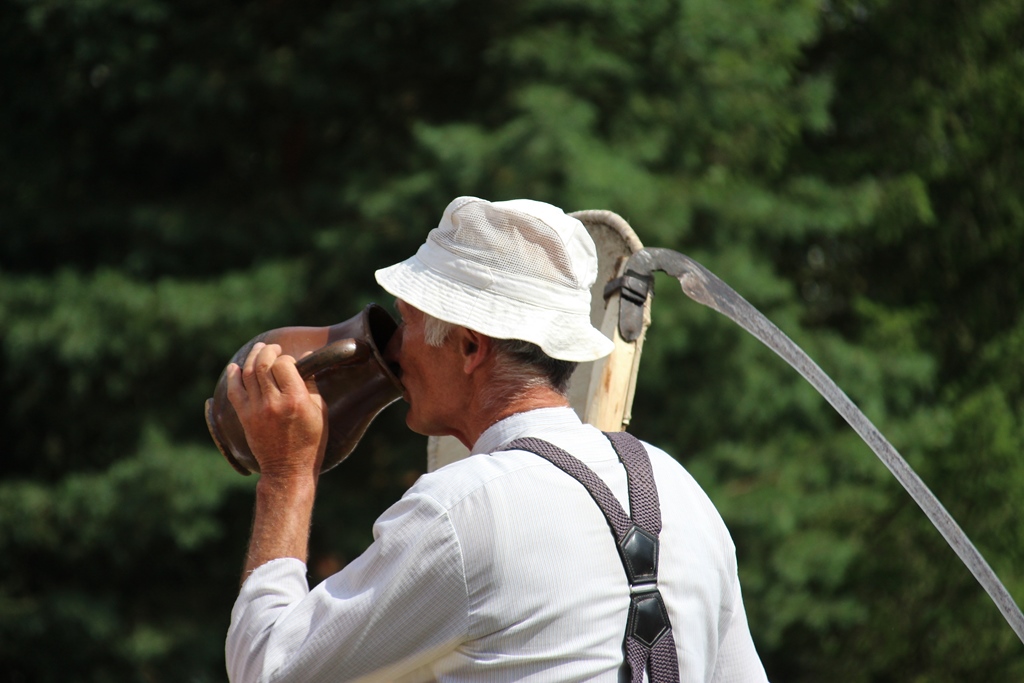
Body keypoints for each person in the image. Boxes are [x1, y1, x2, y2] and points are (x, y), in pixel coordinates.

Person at [224, 197, 768, 682]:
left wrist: (287, 475)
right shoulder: (681, 490)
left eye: (408, 322)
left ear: (469, 347)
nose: (395, 350)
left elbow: (268, 669)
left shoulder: (456, 512)